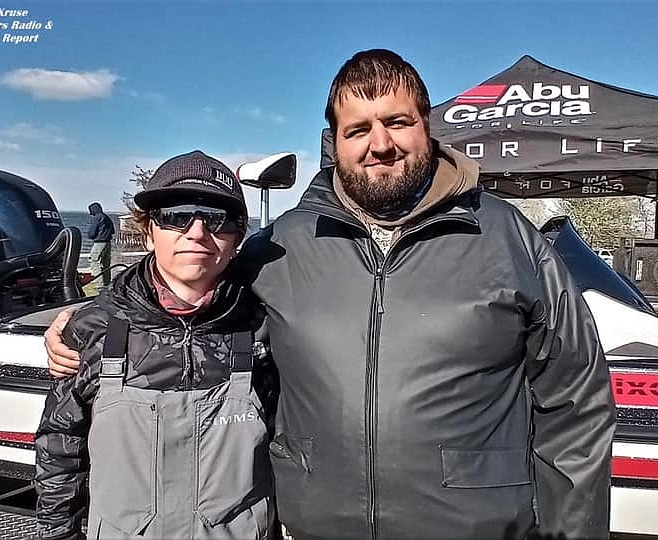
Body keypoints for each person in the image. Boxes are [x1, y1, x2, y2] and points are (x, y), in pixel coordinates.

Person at [46, 49, 616, 540]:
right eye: (358, 129)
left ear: (428, 127)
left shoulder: (508, 238)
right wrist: (87, 317)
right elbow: (189, 290)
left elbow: (576, 401)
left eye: (397, 121)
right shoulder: (284, 245)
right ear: (334, 142)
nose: (381, 144)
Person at [35, 150, 278, 540]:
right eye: (177, 215)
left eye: (218, 219)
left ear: (237, 239)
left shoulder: (265, 328)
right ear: (148, 231)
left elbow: (291, 441)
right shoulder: (92, 328)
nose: (197, 232)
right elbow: (60, 448)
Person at [86, 201, 115, 286]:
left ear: (93, 210)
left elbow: (92, 233)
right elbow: (112, 231)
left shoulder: (97, 218)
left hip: (99, 243)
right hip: (108, 243)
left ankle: (100, 284)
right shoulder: (107, 217)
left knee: (95, 262)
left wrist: (92, 236)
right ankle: (107, 283)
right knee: (106, 264)